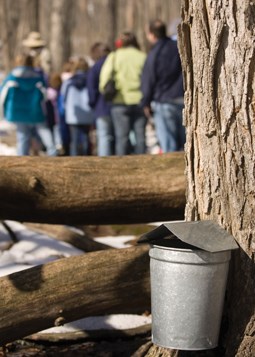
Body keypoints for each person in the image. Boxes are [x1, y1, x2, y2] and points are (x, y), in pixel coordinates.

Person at [99, 31, 147, 155]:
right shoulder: (142, 56)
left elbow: (104, 79)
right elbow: (149, 78)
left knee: (122, 137)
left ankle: (122, 164)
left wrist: (105, 91)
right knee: (140, 136)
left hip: (120, 101)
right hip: (139, 100)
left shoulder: (114, 56)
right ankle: (142, 164)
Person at [141, 19, 185, 152]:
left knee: (168, 144)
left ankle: (172, 172)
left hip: (163, 101)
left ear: (151, 35)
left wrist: (145, 102)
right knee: (186, 142)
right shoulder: (178, 46)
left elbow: (148, 79)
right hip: (182, 98)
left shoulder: (154, 53)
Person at [0, 53, 56, 156]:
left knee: (22, 137)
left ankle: (22, 158)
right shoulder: (38, 77)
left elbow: (2, 94)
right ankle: (52, 152)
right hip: (35, 110)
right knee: (44, 131)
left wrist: (4, 112)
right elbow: (45, 95)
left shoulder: (12, 77)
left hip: (18, 112)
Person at [60, 57, 93, 156]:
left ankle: (74, 159)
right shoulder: (90, 81)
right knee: (86, 137)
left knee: (74, 139)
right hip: (87, 113)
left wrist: (65, 109)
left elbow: (63, 96)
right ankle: (87, 159)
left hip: (73, 114)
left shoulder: (69, 82)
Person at [87, 43, 115, 156]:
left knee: (104, 136)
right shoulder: (115, 64)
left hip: (101, 106)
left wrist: (92, 104)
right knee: (117, 135)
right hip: (117, 105)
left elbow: (91, 89)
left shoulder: (95, 68)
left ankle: (105, 160)